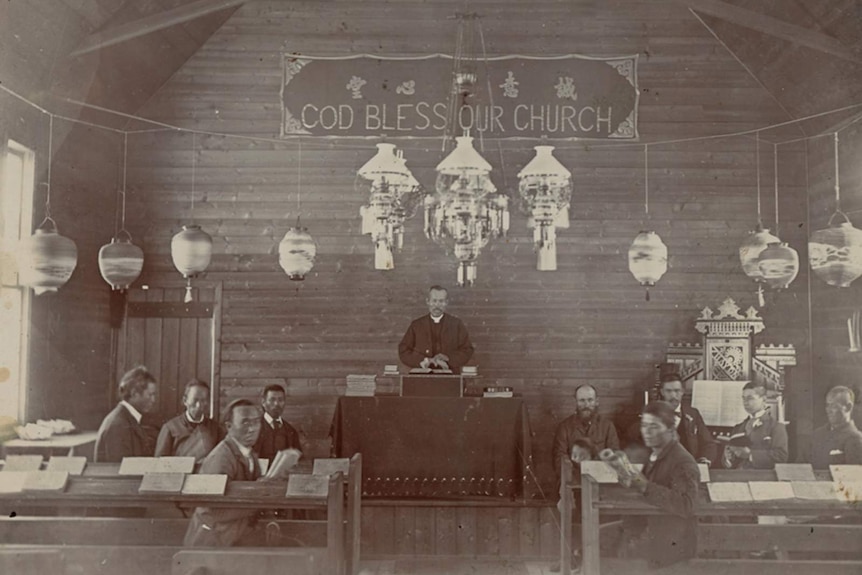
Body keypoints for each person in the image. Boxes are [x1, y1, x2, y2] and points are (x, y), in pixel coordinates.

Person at [614, 401, 700, 569]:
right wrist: (631, 481)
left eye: (654, 426)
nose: (646, 431)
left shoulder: (682, 461)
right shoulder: (655, 454)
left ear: (670, 428)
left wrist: (645, 485)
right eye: (644, 425)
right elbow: (649, 490)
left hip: (672, 549)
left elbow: (686, 504)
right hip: (650, 537)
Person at [184, 399, 264, 547]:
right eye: (245, 422)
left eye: (256, 422)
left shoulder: (250, 454)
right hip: (212, 541)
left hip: (233, 534)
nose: (253, 428)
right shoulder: (221, 458)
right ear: (229, 426)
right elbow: (214, 509)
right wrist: (259, 502)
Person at [398, 285, 474, 373]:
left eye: (441, 301)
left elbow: (467, 349)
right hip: (422, 377)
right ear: (427, 301)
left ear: (446, 302)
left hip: (450, 376)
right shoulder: (416, 325)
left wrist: (449, 359)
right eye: (434, 301)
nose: (437, 305)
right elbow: (403, 350)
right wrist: (422, 360)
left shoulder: (456, 324)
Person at [552, 384, 620, 482]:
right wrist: (576, 478)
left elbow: (614, 454)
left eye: (590, 400)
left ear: (597, 401)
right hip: (573, 481)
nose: (586, 405)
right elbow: (559, 458)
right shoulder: (564, 427)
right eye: (582, 400)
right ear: (576, 402)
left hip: (601, 479)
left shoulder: (608, 426)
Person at [94, 366, 158, 463]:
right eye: (150, 395)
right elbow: (118, 473)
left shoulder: (126, 418)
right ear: (134, 394)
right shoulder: (118, 425)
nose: (153, 400)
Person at [722, 381, 788, 469]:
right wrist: (728, 458)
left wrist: (750, 454)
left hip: (763, 478)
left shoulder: (776, 427)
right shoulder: (738, 428)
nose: (745, 402)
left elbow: (781, 456)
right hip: (738, 477)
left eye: (750, 398)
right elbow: (728, 464)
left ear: (764, 400)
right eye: (743, 398)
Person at [155, 379, 221, 463]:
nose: (199, 405)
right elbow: (159, 463)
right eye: (195, 400)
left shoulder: (215, 428)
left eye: (203, 400)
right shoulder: (170, 428)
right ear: (185, 401)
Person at [658, 374, 717, 466]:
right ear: (662, 392)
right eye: (668, 391)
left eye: (677, 391)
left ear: (682, 391)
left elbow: (709, 444)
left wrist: (704, 460)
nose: (673, 395)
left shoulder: (693, 413)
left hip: (689, 469)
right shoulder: (653, 414)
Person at [809, 385, 862, 468]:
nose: (828, 410)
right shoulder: (817, 435)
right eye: (827, 405)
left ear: (848, 407)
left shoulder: (855, 438)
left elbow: (854, 476)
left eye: (834, 406)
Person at [253, 384, 302, 463]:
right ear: (263, 402)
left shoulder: (290, 431)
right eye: (272, 400)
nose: (276, 404)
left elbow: (298, 459)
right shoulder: (253, 428)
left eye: (280, 400)